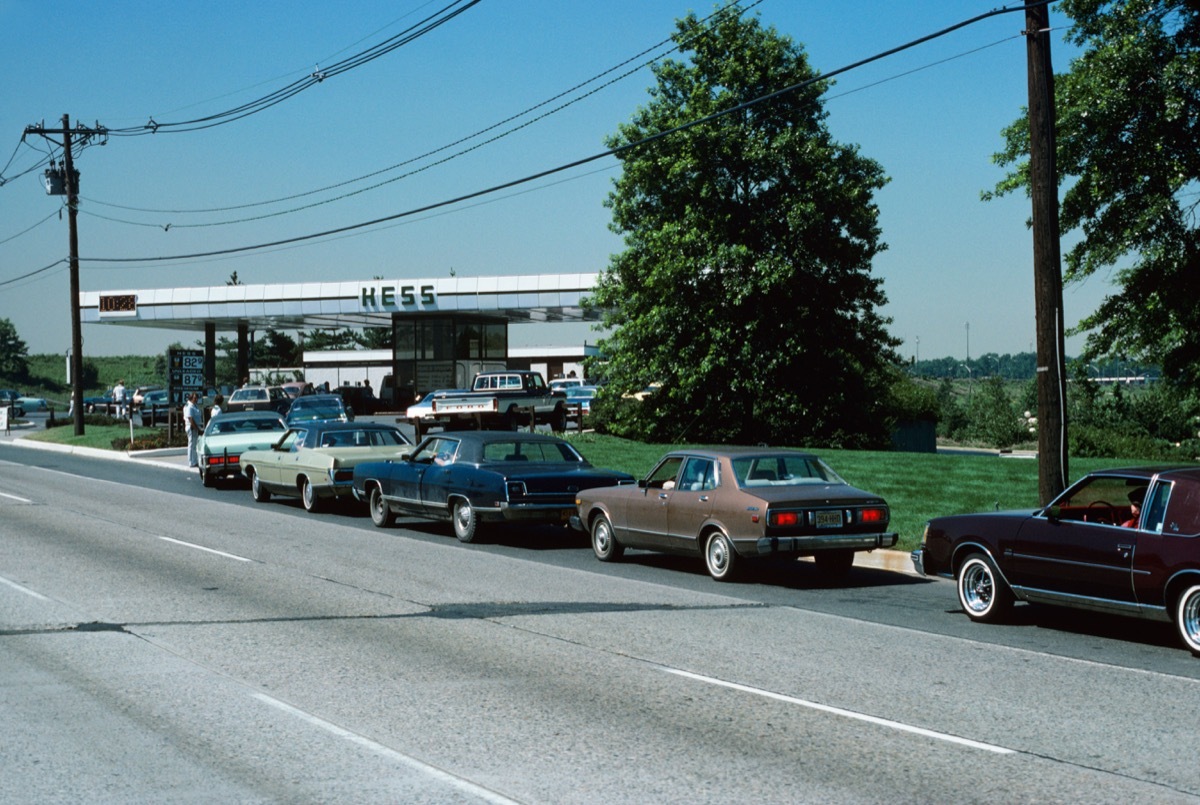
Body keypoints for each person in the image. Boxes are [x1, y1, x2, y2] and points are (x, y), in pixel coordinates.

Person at [183, 392, 204, 468]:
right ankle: (191, 462)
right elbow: (190, 419)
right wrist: (197, 429)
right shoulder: (189, 406)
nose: (196, 399)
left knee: (195, 445)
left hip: (196, 427)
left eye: (197, 398)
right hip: (191, 427)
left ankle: (194, 461)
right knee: (191, 445)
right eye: (195, 398)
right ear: (191, 398)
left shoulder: (194, 406)